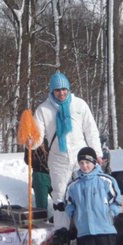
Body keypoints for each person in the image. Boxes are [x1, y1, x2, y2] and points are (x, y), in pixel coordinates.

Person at [29, 73, 102, 232]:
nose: (61, 93)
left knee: (85, 194)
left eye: (64, 89)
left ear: (68, 89)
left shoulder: (80, 105)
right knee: (60, 197)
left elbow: (91, 130)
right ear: (52, 91)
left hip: (80, 158)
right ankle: (62, 233)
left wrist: (97, 153)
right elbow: (38, 135)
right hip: (58, 160)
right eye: (57, 90)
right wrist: (32, 142)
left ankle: (86, 231)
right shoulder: (43, 109)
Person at [64, 147, 123, 245]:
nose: (84, 166)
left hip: (105, 229)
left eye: (87, 162)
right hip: (85, 230)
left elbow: (117, 201)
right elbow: (68, 203)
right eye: (81, 163)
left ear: (94, 162)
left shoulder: (106, 180)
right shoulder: (74, 185)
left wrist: (109, 215)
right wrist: (74, 216)